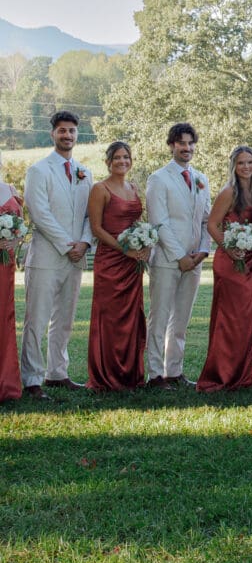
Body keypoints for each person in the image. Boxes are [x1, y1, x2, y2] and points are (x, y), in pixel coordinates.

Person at [21, 110, 93, 400]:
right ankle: (32, 379)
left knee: (64, 319)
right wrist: (68, 244)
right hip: (46, 257)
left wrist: (85, 243)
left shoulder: (85, 172)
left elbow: (91, 214)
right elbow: (40, 214)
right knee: (36, 320)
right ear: (53, 134)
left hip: (76, 257)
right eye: (62, 130)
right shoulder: (38, 170)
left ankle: (57, 373)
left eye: (72, 131)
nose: (67, 135)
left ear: (78, 134)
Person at [145, 123, 210, 389]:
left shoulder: (201, 178)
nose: (187, 148)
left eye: (191, 143)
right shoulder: (158, 179)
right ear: (172, 145)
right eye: (181, 143)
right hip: (167, 260)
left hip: (194, 261)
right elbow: (158, 222)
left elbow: (206, 219)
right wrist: (180, 256)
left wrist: (203, 251)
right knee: (159, 318)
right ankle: (154, 374)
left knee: (181, 320)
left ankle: (174, 371)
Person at [86, 142, 149, 391]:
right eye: (117, 158)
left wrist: (145, 244)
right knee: (110, 319)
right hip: (111, 262)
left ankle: (130, 374)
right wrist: (126, 249)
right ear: (108, 162)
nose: (122, 161)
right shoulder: (99, 189)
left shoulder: (134, 188)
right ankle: (106, 376)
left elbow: (138, 222)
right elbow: (97, 229)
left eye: (126, 157)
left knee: (131, 318)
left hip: (133, 264)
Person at [197, 146, 252, 392]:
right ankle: (220, 374)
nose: (246, 167)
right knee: (228, 319)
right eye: (241, 163)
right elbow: (212, 225)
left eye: (250, 162)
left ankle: (242, 375)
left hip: (249, 261)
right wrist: (229, 246)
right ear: (234, 166)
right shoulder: (229, 192)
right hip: (229, 261)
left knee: (245, 319)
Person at [0, 154, 24, 402]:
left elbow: (20, 227)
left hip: (5, 267)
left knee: (4, 317)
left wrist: (14, 240)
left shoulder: (10, 189)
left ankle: (6, 382)